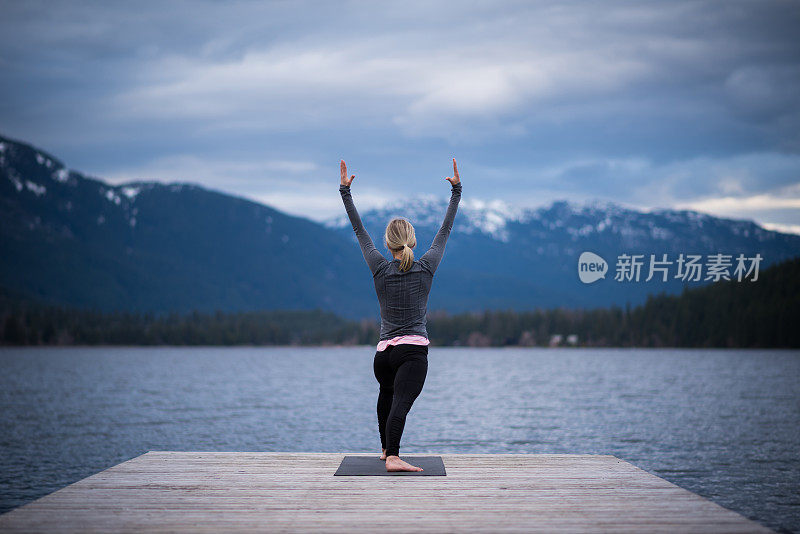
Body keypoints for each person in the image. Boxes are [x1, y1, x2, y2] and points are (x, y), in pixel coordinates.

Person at [339, 158, 462, 472]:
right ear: (413, 241)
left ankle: (384, 449)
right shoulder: (426, 266)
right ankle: (392, 456)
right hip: (411, 353)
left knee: (387, 394)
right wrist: (456, 192)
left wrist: (345, 192)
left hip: (383, 355)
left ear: (388, 243)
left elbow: (359, 230)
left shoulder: (379, 267)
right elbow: (445, 231)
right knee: (400, 405)